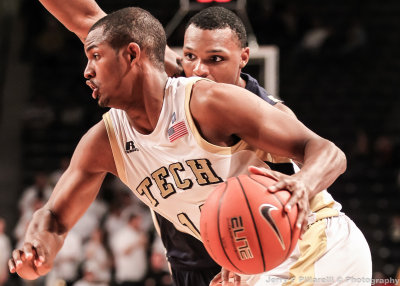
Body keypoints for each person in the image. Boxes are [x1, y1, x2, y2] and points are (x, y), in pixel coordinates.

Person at [24, 2, 370, 285]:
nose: (200, 70)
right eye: (190, 57)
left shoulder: (225, 103)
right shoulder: (122, 124)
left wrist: (300, 185)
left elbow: (328, 152)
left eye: (215, 59)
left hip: (312, 244)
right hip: (238, 259)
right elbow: (93, 21)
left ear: (243, 59)